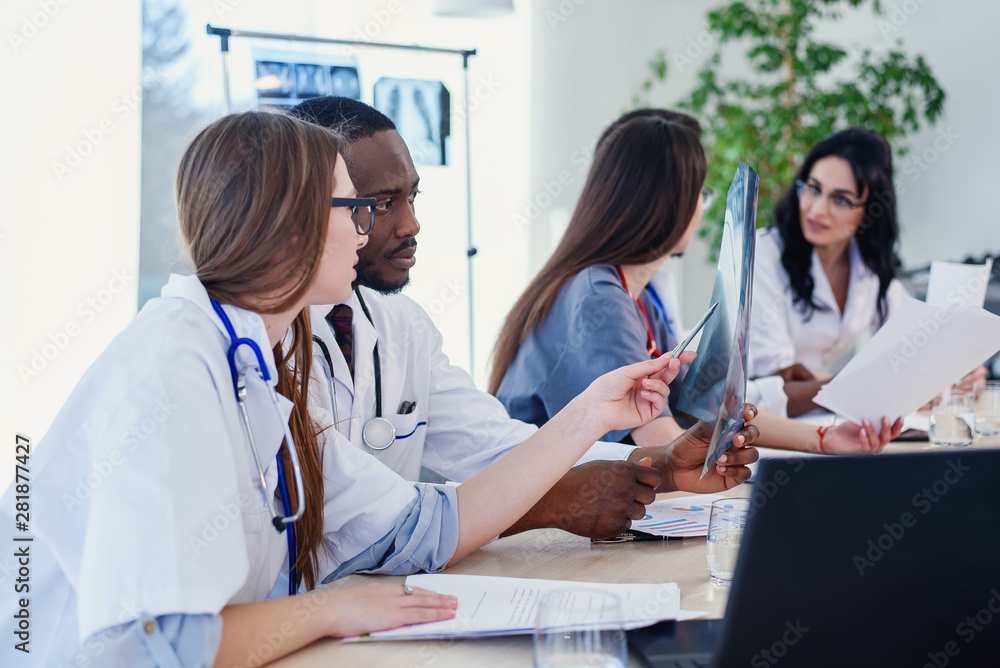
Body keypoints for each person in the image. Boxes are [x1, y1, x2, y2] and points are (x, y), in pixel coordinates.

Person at [0, 111, 702, 667]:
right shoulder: (171, 369)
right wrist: (332, 610)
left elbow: (424, 528)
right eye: (356, 209)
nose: (367, 234)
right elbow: (155, 647)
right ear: (291, 220)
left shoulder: (257, 364)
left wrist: (589, 416)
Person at [287, 97, 761, 541]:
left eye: (413, 197)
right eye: (381, 203)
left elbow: (497, 447)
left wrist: (660, 467)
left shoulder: (404, 326)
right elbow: (350, 518)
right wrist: (549, 505)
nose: (412, 225)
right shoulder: (273, 340)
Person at [491, 111, 904, 454]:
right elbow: (665, 450)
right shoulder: (599, 302)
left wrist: (824, 438)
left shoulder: (640, 298)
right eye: (701, 194)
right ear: (668, 203)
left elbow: (710, 407)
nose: (704, 208)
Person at [749, 127, 986, 407]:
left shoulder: (867, 267)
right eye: (813, 189)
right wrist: (881, 385)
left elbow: (915, 349)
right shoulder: (764, 252)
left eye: (840, 199)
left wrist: (955, 373)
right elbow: (778, 377)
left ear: (868, 211)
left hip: (819, 414)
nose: (816, 210)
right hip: (755, 420)